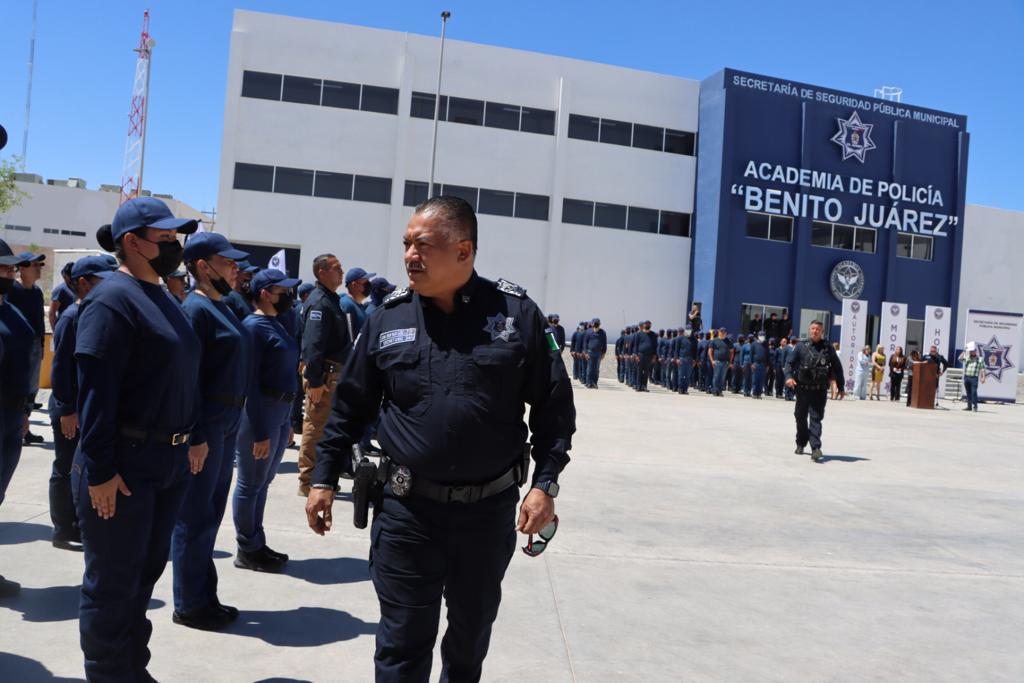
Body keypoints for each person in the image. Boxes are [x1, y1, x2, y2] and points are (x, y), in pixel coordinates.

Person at [306, 196, 575, 682]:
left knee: (468, 645)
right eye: (407, 244)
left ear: (463, 251)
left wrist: (545, 484)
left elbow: (555, 410)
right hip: (407, 513)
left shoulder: (518, 315)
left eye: (423, 245)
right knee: (401, 646)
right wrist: (323, 477)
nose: (410, 255)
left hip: (487, 515)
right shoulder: (386, 319)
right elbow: (349, 406)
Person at [73, 197, 200, 680]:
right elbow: (96, 397)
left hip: (163, 464)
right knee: (113, 585)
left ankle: (131, 668)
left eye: (175, 238)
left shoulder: (163, 295)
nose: (174, 246)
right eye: (165, 238)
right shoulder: (110, 300)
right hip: (122, 467)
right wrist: (101, 470)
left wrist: (188, 441)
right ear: (132, 242)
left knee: (142, 579)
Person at [170, 231, 253, 631]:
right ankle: (189, 603)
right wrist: (197, 435)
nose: (235, 269)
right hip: (208, 426)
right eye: (228, 262)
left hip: (226, 423)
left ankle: (204, 594)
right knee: (195, 516)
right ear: (203, 267)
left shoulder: (220, 306)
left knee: (209, 514)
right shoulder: (195, 310)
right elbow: (189, 381)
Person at [48, 256, 117, 553]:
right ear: (84, 282)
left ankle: (78, 520)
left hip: (85, 408)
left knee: (80, 467)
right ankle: (64, 528)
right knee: (65, 468)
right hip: (71, 408)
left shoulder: (96, 313)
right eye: (103, 279)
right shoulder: (72, 317)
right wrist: (66, 409)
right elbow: (61, 367)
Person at [233, 268, 300, 572]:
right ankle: (247, 548)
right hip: (261, 413)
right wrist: (260, 430)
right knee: (250, 484)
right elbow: (250, 384)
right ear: (264, 293)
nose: (287, 296)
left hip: (279, 412)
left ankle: (257, 542)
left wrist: (286, 423)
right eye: (280, 291)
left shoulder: (275, 323)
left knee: (263, 483)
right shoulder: (253, 327)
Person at [297, 253, 353, 496]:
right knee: (315, 426)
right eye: (336, 268)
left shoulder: (331, 300)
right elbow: (313, 345)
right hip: (324, 376)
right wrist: (316, 381)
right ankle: (307, 481)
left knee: (326, 428)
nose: (341, 272)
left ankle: (319, 477)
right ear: (322, 272)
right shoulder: (320, 302)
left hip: (333, 374)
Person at [0, 238, 35, 597]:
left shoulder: (11, 310)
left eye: (12, 267)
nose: (10, 273)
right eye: (4, 267)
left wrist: (25, 411)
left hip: (11, 418)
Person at [784, 320, 845, 461]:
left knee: (816, 418)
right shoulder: (801, 346)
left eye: (818, 329)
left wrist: (841, 387)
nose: (815, 331)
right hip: (802, 389)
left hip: (819, 390)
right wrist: (788, 377)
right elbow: (789, 362)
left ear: (822, 331)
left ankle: (816, 448)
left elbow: (837, 367)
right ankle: (801, 442)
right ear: (809, 330)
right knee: (800, 417)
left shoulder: (827, 347)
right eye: (812, 328)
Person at [8, 250, 47, 445]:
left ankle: (25, 428)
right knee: (19, 387)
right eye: (34, 265)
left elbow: (39, 320)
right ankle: (16, 427)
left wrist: (40, 346)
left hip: (34, 346)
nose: (38, 269)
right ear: (21, 268)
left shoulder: (37, 292)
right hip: (19, 348)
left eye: (40, 265)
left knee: (32, 389)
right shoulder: (12, 290)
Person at [341, 266, 375, 336]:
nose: (369, 284)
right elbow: (349, 337)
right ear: (354, 285)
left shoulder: (359, 306)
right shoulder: (347, 304)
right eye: (365, 281)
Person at [959, 343, 986, 412]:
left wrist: (983, 378)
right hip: (967, 377)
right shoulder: (967, 358)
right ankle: (969, 406)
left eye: (973, 351)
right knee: (968, 392)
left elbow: (982, 369)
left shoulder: (980, 359)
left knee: (974, 392)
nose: (971, 352)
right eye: (970, 351)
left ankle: (975, 406)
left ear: (975, 351)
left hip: (974, 378)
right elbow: (960, 359)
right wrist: (964, 351)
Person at [50, 261, 77, 328]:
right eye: (64, 277)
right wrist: (55, 331)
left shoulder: (80, 288)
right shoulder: (60, 290)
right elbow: (52, 313)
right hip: (65, 327)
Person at [633, 321, 658, 392]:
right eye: (646, 324)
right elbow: (635, 345)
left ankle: (644, 386)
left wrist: (654, 356)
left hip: (649, 356)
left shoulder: (653, 335)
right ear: (643, 325)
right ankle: (638, 386)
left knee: (647, 372)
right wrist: (636, 355)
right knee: (639, 371)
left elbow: (655, 346)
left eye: (649, 324)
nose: (647, 325)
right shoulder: (639, 334)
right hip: (640, 355)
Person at [584, 317, 607, 389]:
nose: (596, 325)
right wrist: (585, 353)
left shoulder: (602, 332)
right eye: (594, 323)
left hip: (598, 353)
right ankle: (588, 383)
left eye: (597, 323)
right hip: (590, 352)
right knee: (589, 369)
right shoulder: (588, 331)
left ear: (599, 324)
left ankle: (594, 383)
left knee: (596, 369)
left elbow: (604, 343)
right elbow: (585, 343)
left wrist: (603, 353)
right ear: (592, 324)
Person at [709, 328, 731, 396]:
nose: (722, 333)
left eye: (724, 332)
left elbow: (732, 352)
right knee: (716, 377)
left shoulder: (728, 341)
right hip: (717, 362)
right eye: (721, 332)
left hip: (725, 363)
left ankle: (720, 391)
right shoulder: (714, 341)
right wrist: (712, 361)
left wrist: (729, 362)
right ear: (719, 332)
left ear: (726, 333)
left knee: (722, 377)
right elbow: (710, 351)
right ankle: (715, 391)